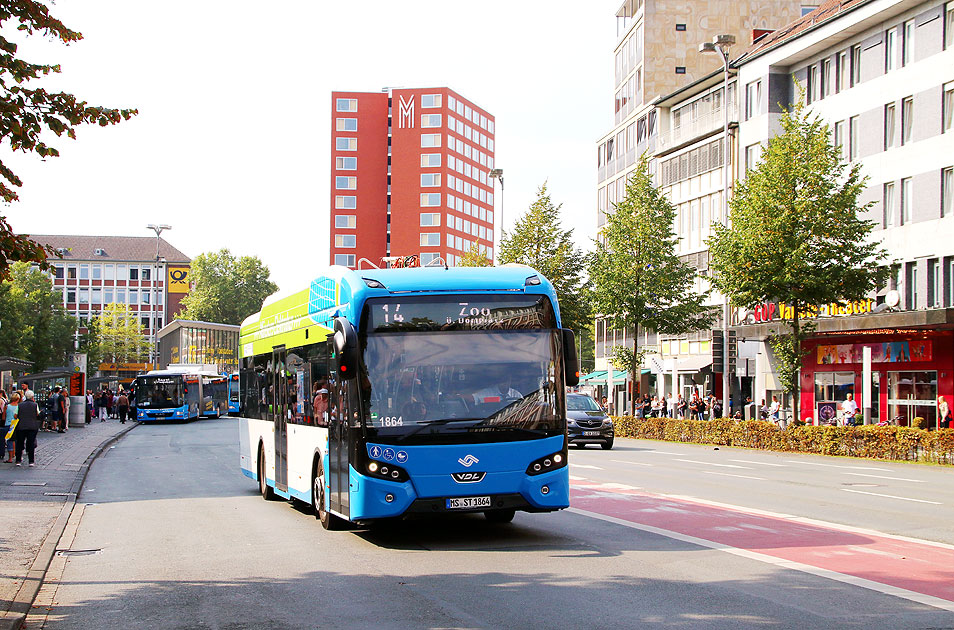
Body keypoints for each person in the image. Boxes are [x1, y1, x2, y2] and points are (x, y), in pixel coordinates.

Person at [13, 390, 40, 467]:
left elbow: (15, 415)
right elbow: (37, 414)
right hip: (32, 426)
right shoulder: (35, 405)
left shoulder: (20, 405)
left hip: (21, 426)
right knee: (31, 444)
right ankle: (31, 461)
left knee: (20, 443)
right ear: (32, 397)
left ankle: (18, 460)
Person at [4, 391, 19, 463]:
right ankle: (16, 454)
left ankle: (10, 458)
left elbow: (4, 417)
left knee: (9, 441)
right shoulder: (19, 407)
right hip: (16, 424)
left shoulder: (7, 406)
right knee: (16, 440)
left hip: (8, 424)